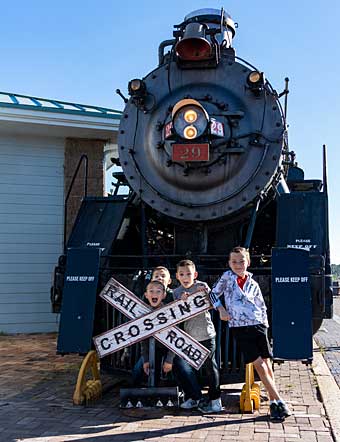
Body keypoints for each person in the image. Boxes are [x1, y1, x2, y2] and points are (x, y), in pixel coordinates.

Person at [209, 246, 291, 421]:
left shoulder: (252, 283)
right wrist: (221, 309)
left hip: (259, 325)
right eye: (234, 261)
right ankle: (279, 400)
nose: (238, 264)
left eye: (241, 261)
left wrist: (265, 325)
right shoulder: (226, 278)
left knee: (267, 365)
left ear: (248, 262)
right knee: (259, 365)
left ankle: (273, 404)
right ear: (229, 263)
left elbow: (261, 305)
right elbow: (212, 295)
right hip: (240, 327)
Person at [173, 259, 222, 413]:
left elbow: (214, 301)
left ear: (195, 274)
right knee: (182, 367)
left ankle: (216, 401)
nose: (185, 277)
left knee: (210, 368)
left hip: (206, 334)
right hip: (188, 337)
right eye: (182, 274)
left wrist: (202, 295)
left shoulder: (202, 287)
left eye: (188, 273)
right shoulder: (176, 292)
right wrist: (180, 302)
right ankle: (194, 397)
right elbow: (175, 316)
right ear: (177, 276)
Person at [132, 280, 174, 386]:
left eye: (158, 292)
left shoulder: (172, 312)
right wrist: (146, 359)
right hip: (153, 348)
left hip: (172, 350)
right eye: (151, 291)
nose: (154, 294)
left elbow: (175, 338)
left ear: (164, 295)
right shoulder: (144, 313)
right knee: (138, 370)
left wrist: (169, 359)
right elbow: (144, 340)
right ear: (146, 295)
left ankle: (190, 396)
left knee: (182, 369)